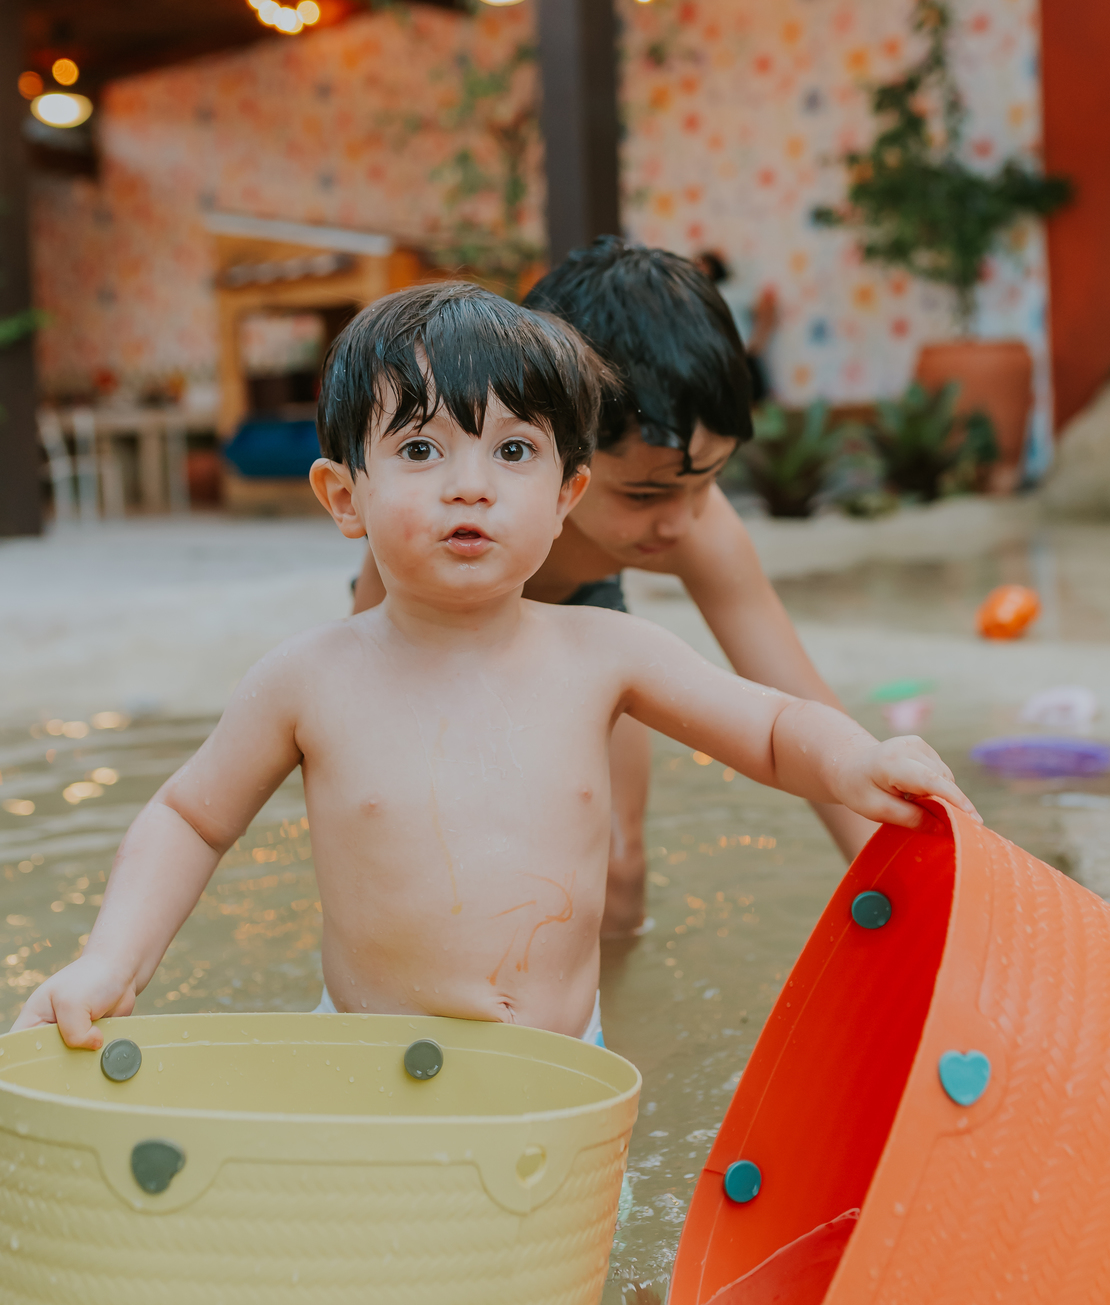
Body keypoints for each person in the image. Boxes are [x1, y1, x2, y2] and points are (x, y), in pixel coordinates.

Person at [14, 284, 976, 1050]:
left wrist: (857, 761)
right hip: (361, 1063)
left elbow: (769, 727)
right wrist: (112, 960)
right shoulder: (308, 679)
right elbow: (189, 816)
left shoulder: (608, 654)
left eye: (513, 450)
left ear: (567, 494)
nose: (470, 482)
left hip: (560, 1072)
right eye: (423, 448)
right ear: (344, 498)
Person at [352, 240, 873, 939]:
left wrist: (894, 863)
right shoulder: (452, 523)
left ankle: (604, 1033)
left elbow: (797, 702)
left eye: (709, 480)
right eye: (648, 491)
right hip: (444, 632)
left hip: (589, 624)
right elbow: (363, 690)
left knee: (616, 866)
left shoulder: (696, 526)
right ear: (553, 454)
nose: (681, 519)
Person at [694, 248, 779, 404]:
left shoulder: (731, 290)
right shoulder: (695, 296)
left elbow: (767, 305)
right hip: (712, 360)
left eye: (702, 266)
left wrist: (758, 340)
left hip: (739, 356)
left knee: (752, 403)